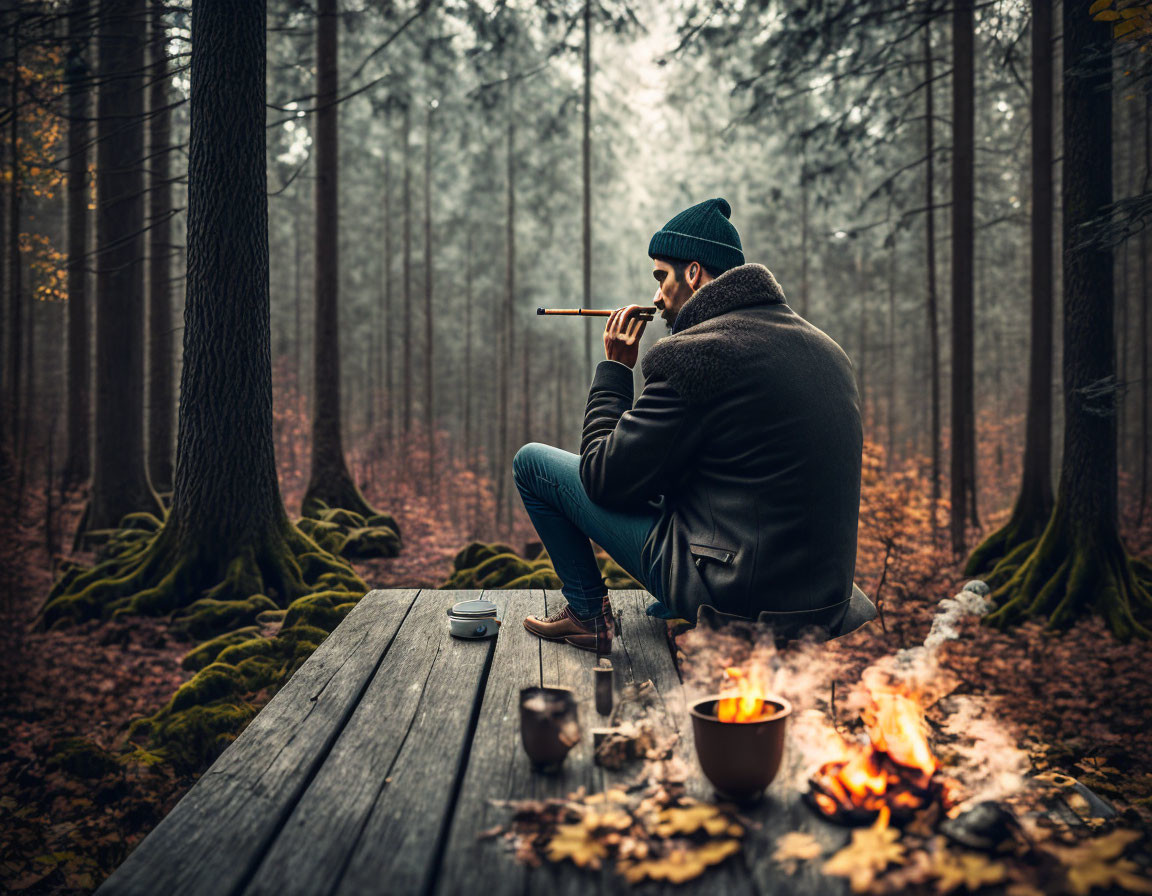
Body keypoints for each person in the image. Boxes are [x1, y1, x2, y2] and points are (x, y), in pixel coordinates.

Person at [513, 197, 876, 653]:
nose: (656, 296)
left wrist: (615, 370)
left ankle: (587, 613)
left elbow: (602, 479)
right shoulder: (827, 350)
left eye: (661, 276)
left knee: (532, 463)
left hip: (742, 598)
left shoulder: (698, 352)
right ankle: (669, 605)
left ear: (693, 273)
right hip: (823, 602)